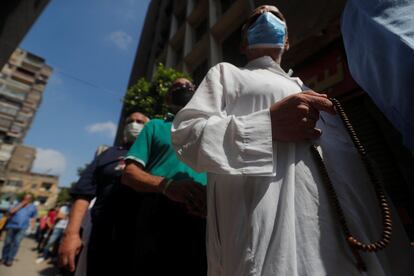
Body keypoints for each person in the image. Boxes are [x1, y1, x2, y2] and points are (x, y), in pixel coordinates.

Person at [171, 5, 414, 276]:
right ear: (243, 43)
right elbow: (187, 136)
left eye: (277, 17)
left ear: (287, 40)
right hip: (277, 250)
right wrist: (266, 127)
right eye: (255, 18)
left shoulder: (307, 88)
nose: (266, 14)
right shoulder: (226, 74)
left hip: (356, 244)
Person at [122, 78, 207, 276]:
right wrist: (167, 186)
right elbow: (129, 173)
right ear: (169, 97)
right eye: (178, 87)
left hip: (204, 217)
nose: (185, 89)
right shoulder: (154, 126)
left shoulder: (210, 128)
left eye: (189, 87)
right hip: (158, 216)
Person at [58, 111, 149, 275]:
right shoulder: (108, 154)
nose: (134, 125)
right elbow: (83, 193)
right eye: (131, 121)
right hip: (101, 234)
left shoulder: (155, 152)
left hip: (141, 238)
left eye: (140, 122)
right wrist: (71, 234)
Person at [1, 194, 37, 267]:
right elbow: (11, 212)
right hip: (11, 226)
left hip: (23, 228)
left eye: (28, 198)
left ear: (30, 200)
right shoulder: (16, 204)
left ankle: (10, 259)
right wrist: (21, 205)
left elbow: (33, 217)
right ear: (23, 198)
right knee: (7, 243)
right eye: (25, 198)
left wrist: (33, 225)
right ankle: (4, 258)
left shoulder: (33, 207)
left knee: (16, 243)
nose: (26, 200)